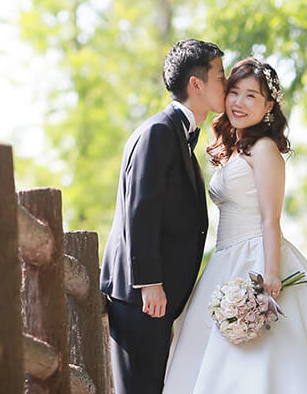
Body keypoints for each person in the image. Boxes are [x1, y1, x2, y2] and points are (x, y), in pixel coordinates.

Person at [163, 57, 307, 393]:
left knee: (263, 362)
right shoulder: (232, 151)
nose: (239, 103)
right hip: (223, 261)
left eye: (251, 96)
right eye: (234, 93)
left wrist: (270, 276)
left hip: (255, 258)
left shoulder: (265, 148)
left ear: (269, 105)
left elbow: (271, 220)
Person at [101, 39, 227, 394]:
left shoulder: (181, 136)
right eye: (220, 76)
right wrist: (150, 282)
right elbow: (140, 209)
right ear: (196, 84)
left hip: (156, 300)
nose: (227, 83)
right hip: (141, 296)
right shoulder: (159, 132)